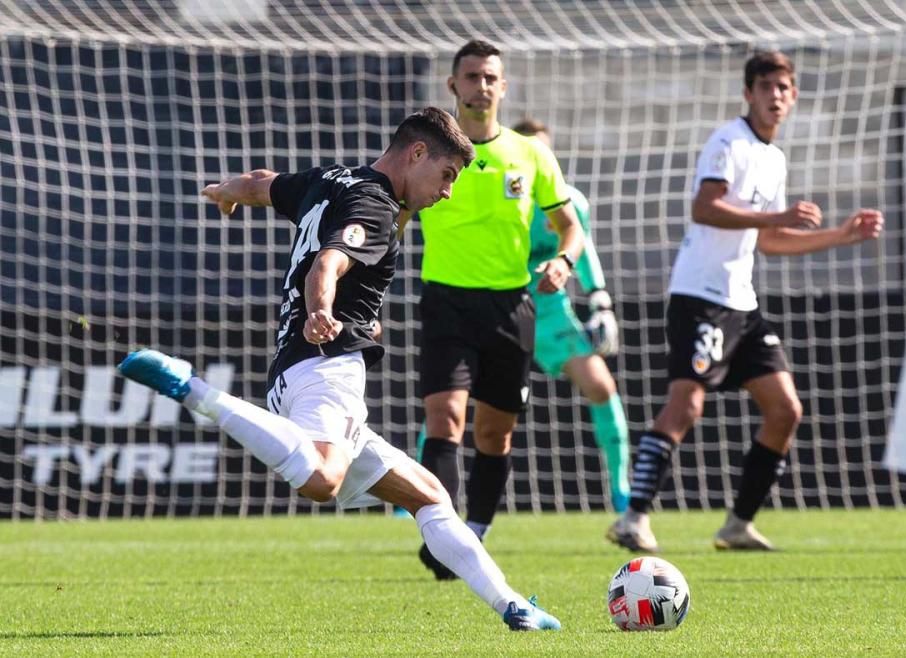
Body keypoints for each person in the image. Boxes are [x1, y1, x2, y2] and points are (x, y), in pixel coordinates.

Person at [118, 107, 561, 631]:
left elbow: (264, 184)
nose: (446, 192)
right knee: (323, 479)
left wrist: (227, 191)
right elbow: (328, 262)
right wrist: (322, 309)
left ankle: (514, 606)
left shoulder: (330, 179)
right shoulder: (375, 207)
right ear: (417, 153)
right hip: (328, 365)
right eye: (446, 176)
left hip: (293, 371)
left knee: (429, 495)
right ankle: (193, 390)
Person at [607, 51, 884, 553]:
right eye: (766, 87)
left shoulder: (773, 157)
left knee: (785, 410)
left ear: (793, 96)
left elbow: (769, 241)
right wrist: (772, 219)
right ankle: (634, 516)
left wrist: (838, 236)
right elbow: (705, 207)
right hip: (700, 296)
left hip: (742, 303)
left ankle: (737, 525)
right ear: (748, 94)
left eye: (784, 88)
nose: (775, 96)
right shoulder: (728, 141)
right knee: (686, 403)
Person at [414, 40, 584, 580]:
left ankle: (477, 531)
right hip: (445, 299)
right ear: (453, 87)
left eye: (490, 77)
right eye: (471, 77)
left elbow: (570, 227)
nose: (480, 86)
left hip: (512, 306)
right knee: (445, 420)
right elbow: (395, 213)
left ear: (503, 87)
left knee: (494, 435)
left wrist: (564, 261)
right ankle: (443, 538)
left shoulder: (530, 153)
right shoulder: (429, 152)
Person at [408, 118, 630, 514]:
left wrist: (600, 300)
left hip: (551, 315)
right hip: (499, 310)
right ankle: (415, 497)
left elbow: (582, 244)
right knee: (449, 407)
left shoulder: (568, 202)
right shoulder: (497, 196)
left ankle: (623, 490)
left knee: (601, 386)